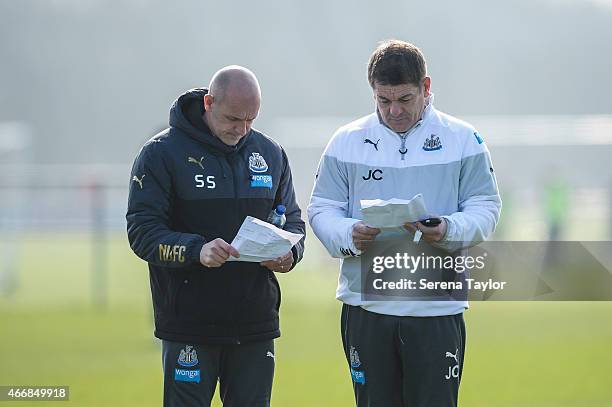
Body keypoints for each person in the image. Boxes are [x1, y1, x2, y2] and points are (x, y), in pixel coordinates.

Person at [308, 40, 501, 406]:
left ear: (426, 88)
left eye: (405, 99)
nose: (393, 110)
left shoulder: (464, 139)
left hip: (435, 308)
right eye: (384, 100)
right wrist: (348, 234)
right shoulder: (345, 142)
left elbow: (486, 207)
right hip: (366, 306)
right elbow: (321, 208)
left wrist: (447, 229)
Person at [126, 65, 305, 407]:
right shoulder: (161, 154)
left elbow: (293, 221)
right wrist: (197, 251)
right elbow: (142, 233)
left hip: (255, 323)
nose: (242, 129)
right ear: (209, 103)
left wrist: (289, 255)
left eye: (251, 120)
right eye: (233, 119)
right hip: (190, 324)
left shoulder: (270, 154)